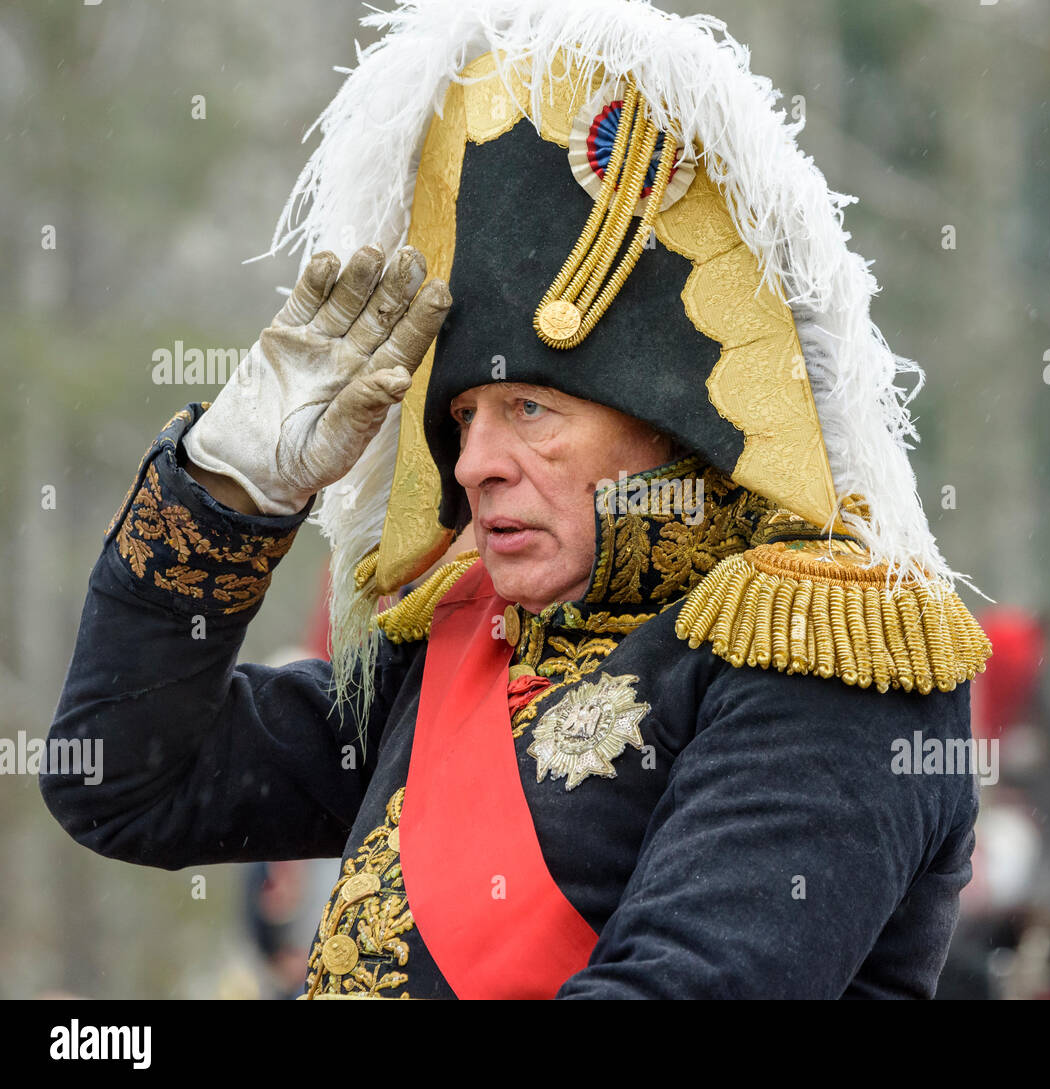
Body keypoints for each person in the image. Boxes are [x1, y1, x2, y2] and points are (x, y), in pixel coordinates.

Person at [41, 0, 991, 999]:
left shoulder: (827, 646)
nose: (473, 463)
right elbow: (121, 781)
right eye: (462, 418)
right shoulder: (449, 656)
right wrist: (229, 489)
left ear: (670, 422)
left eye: (530, 409)